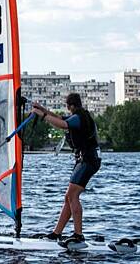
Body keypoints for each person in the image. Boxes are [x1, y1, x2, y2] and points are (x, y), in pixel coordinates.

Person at [31, 93, 101, 247]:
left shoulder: (78, 118)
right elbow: (61, 119)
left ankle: (78, 235)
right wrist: (43, 109)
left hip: (88, 160)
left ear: (71, 106)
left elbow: (62, 124)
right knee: (68, 197)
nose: (68, 110)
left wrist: (41, 115)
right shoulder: (79, 115)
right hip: (87, 160)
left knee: (72, 195)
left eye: (68, 107)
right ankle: (57, 233)